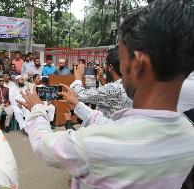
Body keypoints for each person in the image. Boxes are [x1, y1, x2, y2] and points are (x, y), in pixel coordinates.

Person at [18, 1, 194, 188]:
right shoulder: (188, 134)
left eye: (123, 58)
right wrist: (78, 105)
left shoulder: (94, 143)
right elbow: (111, 126)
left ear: (138, 64)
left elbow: (45, 145)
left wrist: (37, 109)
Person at [70, 47, 132, 119]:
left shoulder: (115, 88)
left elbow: (81, 95)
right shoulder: (131, 85)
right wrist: (101, 78)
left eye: (106, 64)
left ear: (110, 67)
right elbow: (110, 95)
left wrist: (78, 77)